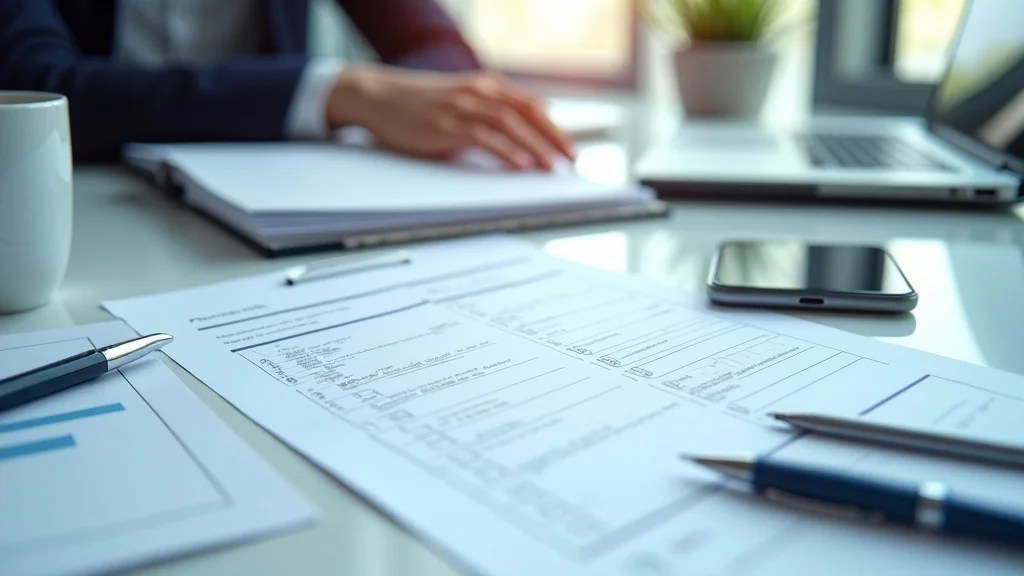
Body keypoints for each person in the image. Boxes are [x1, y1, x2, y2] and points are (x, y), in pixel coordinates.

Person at [0, 0, 574, 169]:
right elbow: (33, 89)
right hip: (89, 198)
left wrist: (383, 99)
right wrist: (335, 92)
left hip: (272, 206)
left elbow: (444, 54)